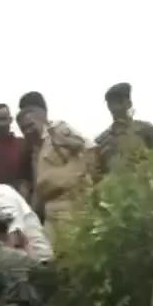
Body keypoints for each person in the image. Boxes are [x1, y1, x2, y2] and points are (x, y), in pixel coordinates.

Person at [16, 103, 91, 250]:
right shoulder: (33, 149)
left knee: (73, 252)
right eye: (24, 128)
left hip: (71, 207)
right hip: (50, 210)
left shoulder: (58, 129)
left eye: (31, 125)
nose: (28, 131)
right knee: (50, 255)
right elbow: (39, 184)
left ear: (41, 120)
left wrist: (63, 141)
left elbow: (86, 146)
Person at [93, 82, 153, 179]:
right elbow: (100, 174)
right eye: (111, 103)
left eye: (118, 102)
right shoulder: (103, 140)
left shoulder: (145, 130)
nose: (114, 107)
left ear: (128, 103)